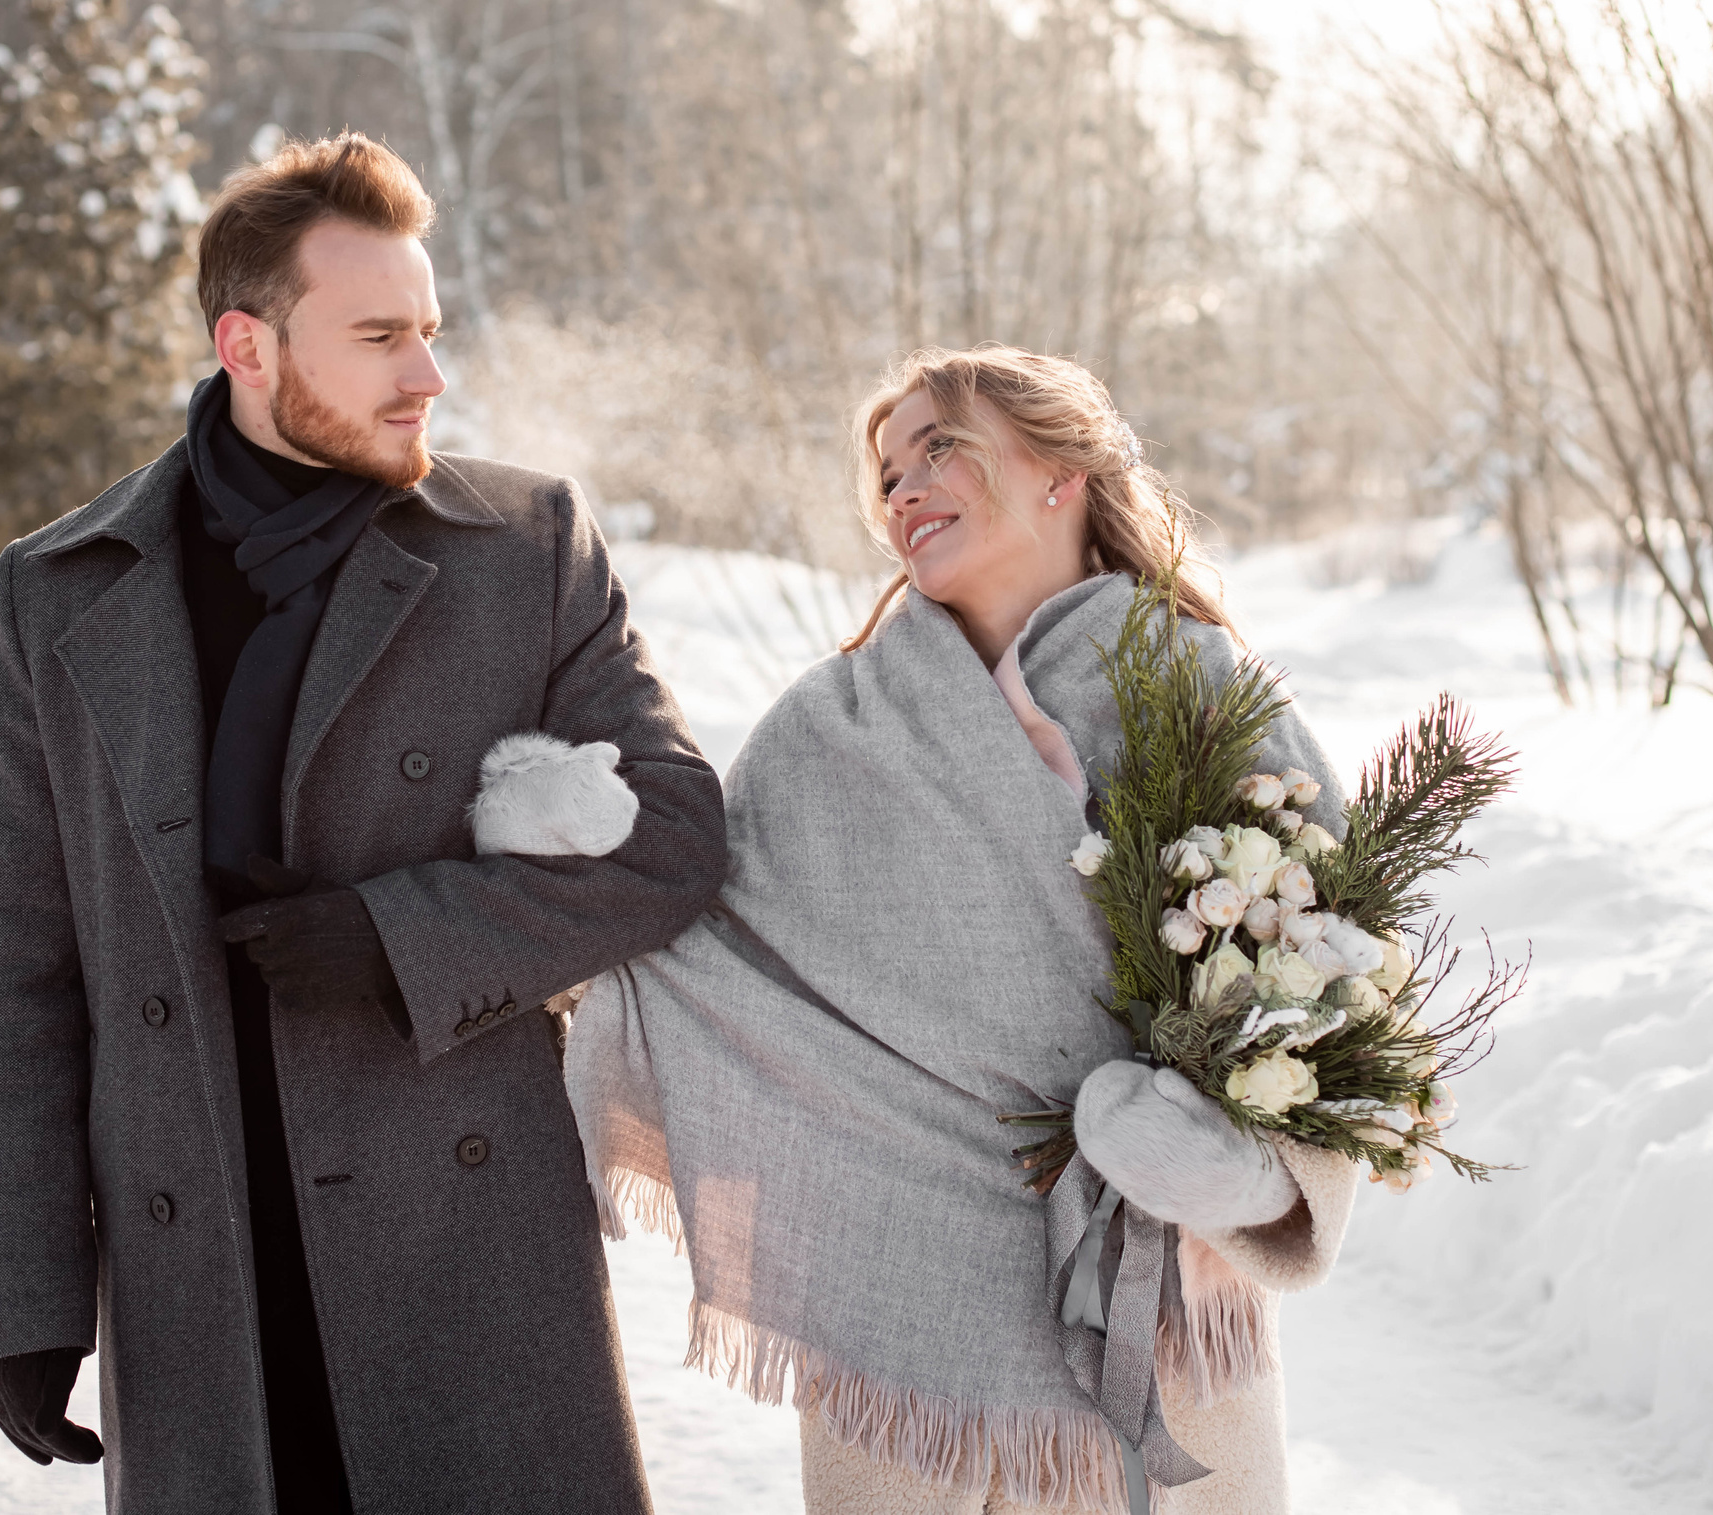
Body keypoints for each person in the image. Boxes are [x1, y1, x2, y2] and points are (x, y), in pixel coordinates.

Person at [0, 130, 728, 1513]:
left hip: (462, 1253)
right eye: (380, 335)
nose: (430, 372)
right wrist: (25, 1293)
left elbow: (670, 831)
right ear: (247, 346)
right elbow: (18, 965)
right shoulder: (64, 593)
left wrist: (398, 934)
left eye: (429, 329)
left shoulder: (525, 549)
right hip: (201, 1262)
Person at [566, 346, 1360, 1515]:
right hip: (896, 1311)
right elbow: (705, 962)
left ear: (1062, 472)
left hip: (1156, 1306)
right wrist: (573, 853)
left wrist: (1232, 1164)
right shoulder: (829, 727)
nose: (902, 489)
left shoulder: (1198, 692)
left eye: (940, 448)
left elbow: (1333, 988)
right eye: (887, 473)